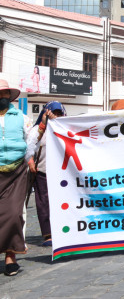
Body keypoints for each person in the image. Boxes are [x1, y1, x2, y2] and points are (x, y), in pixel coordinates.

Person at [0, 78, 34, 277]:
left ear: (9, 96)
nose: (1, 97)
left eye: (4, 94)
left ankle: (10, 256)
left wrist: (29, 161)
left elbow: (30, 141)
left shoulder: (22, 117)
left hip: (16, 171)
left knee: (13, 214)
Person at [26, 101, 66, 248]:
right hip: (42, 171)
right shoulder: (37, 128)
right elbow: (29, 145)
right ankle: (47, 233)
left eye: (58, 113)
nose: (55, 116)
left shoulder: (66, 128)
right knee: (43, 203)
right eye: (52, 112)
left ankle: (63, 231)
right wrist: (30, 161)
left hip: (62, 173)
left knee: (62, 202)